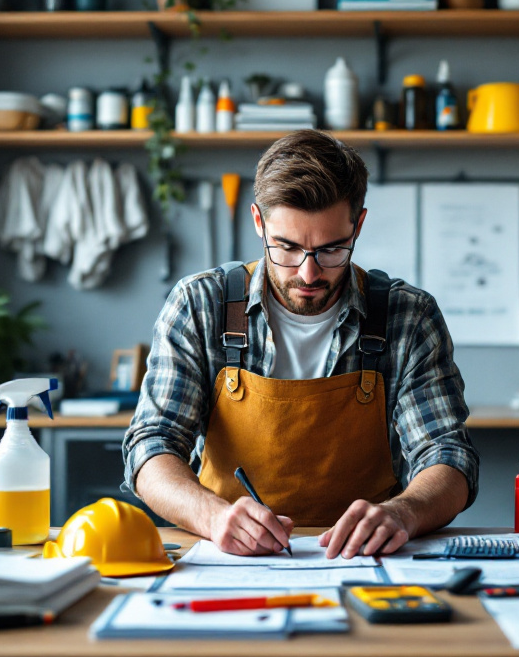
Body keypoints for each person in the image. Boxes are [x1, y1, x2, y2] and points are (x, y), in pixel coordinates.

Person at [122, 129, 478, 559]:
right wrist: (213, 517)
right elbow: (151, 445)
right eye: (287, 248)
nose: (308, 274)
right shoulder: (200, 305)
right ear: (258, 222)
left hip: (365, 561)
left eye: (331, 250)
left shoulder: (408, 316)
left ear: (358, 224)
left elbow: (448, 454)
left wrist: (404, 513)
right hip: (226, 560)